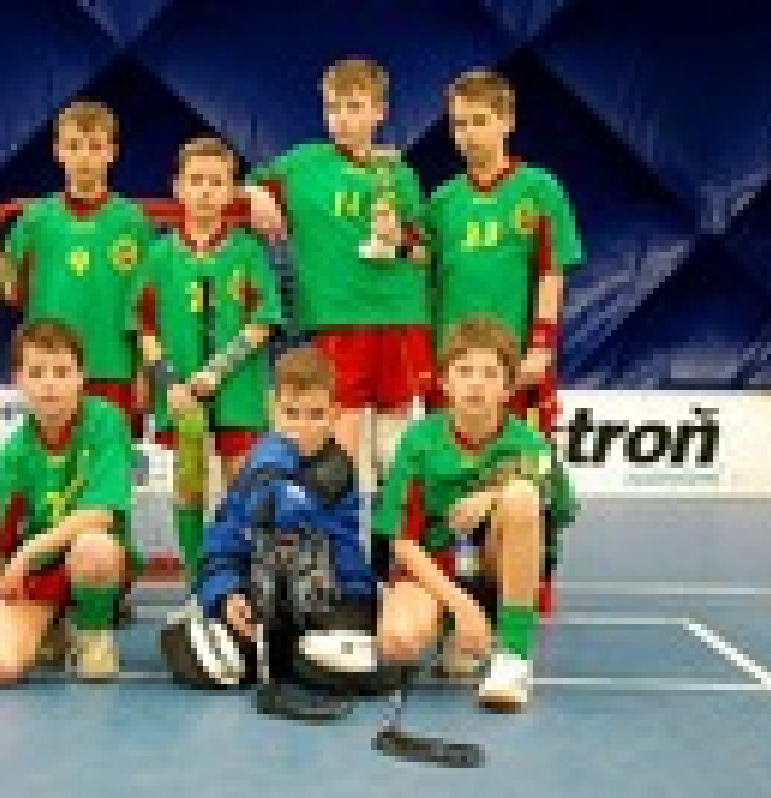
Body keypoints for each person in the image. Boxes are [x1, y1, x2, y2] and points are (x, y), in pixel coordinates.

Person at [243, 56, 431, 489]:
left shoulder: (399, 173)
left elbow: (422, 251)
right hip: (336, 317)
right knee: (340, 437)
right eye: (333, 108)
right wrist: (255, 193)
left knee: (393, 445)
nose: (342, 119)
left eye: (354, 107)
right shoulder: (301, 164)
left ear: (379, 111)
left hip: (398, 316)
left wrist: (398, 237)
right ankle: (342, 530)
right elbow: (245, 187)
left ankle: (390, 531)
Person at [374, 316, 577, 711]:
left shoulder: (531, 444)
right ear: (444, 382)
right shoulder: (418, 441)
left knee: (522, 496)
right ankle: (457, 632)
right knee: (398, 641)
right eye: (464, 371)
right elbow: (401, 543)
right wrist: (460, 606)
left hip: (495, 567)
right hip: (437, 569)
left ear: (508, 387)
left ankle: (513, 656)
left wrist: (494, 496)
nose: (476, 384)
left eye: (489, 373)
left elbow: (557, 510)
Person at [162, 346, 379, 693]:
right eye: (291, 414)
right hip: (263, 600)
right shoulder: (255, 467)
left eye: (316, 414)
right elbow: (223, 543)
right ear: (272, 410)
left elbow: (286, 515)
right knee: (190, 649)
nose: (302, 427)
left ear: (334, 415)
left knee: (346, 660)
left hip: (326, 602)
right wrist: (228, 596)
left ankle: (290, 657)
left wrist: (273, 463)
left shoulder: (337, 471)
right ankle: (269, 654)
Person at [0, 321, 137, 684]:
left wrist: (26, 553)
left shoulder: (106, 423)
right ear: (19, 381)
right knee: (0, 668)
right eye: (37, 373)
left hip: (92, 562)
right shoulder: (15, 453)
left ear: (81, 377)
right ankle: (54, 626)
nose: (50, 384)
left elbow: (100, 515)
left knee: (94, 547)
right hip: (40, 573)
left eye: (62, 372)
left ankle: (92, 635)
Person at [137, 136, 282, 579]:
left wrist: (217, 370)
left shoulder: (248, 251)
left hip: (238, 392)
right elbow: (144, 328)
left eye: (216, 182)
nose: (205, 191)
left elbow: (264, 321)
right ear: (178, 188)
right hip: (179, 395)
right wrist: (170, 383)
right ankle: (198, 582)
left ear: (231, 190)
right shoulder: (158, 256)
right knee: (188, 487)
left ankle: (244, 580)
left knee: (246, 486)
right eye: (196, 181)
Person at [425, 69, 584, 436]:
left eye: (479, 121)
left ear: (507, 121)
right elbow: (425, 283)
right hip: (453, 363)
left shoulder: (540, 189)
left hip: (516, 361)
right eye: (459, 124)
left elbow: (551, 273)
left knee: (521, 465)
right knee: (453, 463)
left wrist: (541, 346)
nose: (468, 134)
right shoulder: (440, 201)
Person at [0, 101, 153, 435]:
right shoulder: (35, 219)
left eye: (94, 147)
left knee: (111, 459)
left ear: (112, 152)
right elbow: (12, 292)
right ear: (58, 151)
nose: (84, 157)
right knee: (52, 458)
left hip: (114, 367)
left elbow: (148, 306)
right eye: (74, 146)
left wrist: (144, 371)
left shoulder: (133, 221)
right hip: (49, 371)